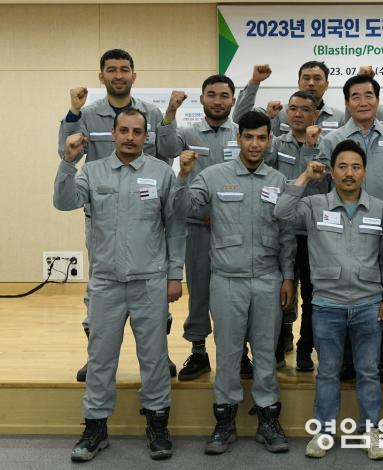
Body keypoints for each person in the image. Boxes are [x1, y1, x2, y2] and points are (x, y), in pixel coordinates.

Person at [55, 108, 186, 462]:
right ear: (112, 134)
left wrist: (175, 275)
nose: (130, 137)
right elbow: (63, 202)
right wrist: (67, 163)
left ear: (147, 136)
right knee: (100, 359)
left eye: (137, 131)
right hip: (106, 283)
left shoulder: (161, 173)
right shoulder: (92, 171)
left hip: (150, 282)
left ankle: (157, 425)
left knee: (154, 358)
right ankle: (95, 429)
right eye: (124, 130)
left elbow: (175, 227)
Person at [57, 48, 178, 382]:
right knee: (100, 286)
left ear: (134, 76)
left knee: (153, 287)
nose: (119, 75)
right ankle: (96, 355)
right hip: (103, 213)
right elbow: (65, 152)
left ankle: (159, 353)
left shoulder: (151, 112)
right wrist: (72, 112)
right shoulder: (86, 114)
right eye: (111, 70)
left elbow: (168, 152)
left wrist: (170, 116)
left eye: (124, 69)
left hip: (146, 213)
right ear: (102, 77)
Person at [180, 111, 296, 455]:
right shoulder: (213, 176)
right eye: (249, 137)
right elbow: (183, 207)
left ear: (270, 140)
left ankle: (268, 420)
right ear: (238, 139)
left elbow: (287, 233)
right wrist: (183, 175)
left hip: (268, 279)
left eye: (261, 138)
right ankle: (224, 422)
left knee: (265, 353)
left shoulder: (279, 181)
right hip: (227, 280)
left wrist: (289, 276)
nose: (255, 144)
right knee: (228, 353)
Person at [275, 140, 383, 460]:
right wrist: (305, 177)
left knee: (368, 372)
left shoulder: (379, 208)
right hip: (327, 305)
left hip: (368, 304)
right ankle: (324, 431)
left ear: (365, 172)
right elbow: (281, 212)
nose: (349, 173)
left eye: (356, 167)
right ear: (332, 171)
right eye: (342, 166)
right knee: (328, 372)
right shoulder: (314, 205)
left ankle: (370, 431)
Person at [313, 74, 383, 382]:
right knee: (347, 289)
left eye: (369, 95)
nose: (363, 101)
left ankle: (381, 359)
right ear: (347, 102)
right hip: (343, 230)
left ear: (378, 100)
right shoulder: (332, 140)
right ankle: (345, 360)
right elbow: (320, 185)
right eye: (355, 96)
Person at [157, 75, 254, 381]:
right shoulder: (187, 133)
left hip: (235, 230)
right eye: (211, 94)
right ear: (201, 99)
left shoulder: (242, 135)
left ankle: (239, 353)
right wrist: (170, 112)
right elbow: (165, 146)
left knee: (236, 293)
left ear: (233, 100)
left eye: (224, 95)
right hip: (197, 228)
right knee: (199, 290)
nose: (217, 101)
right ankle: (198, 351)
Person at [263, 90, 329, 372]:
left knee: (312, 297)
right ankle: (277, 347)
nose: (298, 114)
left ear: (316, 114)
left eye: (305, 109)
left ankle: (305, 349)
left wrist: (312, 148)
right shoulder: (276, 144)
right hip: (282, 231)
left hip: (314, 233)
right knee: (280, 294)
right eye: (293, 109)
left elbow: (322, 184)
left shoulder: (326, 146)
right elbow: (265, 173)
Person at [232, 62, 346, 137]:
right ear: (298, 83)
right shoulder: (277, 113)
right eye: (306, 78)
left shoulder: (340, 118)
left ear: (326, 85)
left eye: (317, 78)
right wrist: (255, 82)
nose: (311, 83)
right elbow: (240, 119)